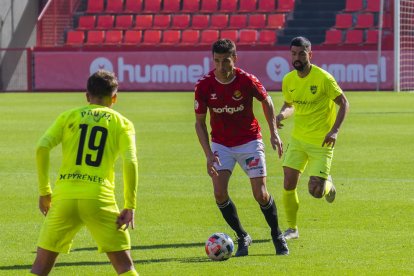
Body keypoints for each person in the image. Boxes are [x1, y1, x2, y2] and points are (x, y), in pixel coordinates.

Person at [30, 70, 139, 276]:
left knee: (40, 267)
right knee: (125, 267)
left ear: (87, 96)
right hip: (99, 199)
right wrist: (130, 205)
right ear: (114, 97)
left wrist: (45, 192)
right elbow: (130, 161)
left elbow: (42, 147)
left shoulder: (68, 116)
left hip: (64, 198)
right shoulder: (123, 123)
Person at [194, 39, 289, 256]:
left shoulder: (247, 80)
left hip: (249, 141)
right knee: (219, 193)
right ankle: (242, 235)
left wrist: (274, 133)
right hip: (221, 144)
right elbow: (199, 122)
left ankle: (276, 234)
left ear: (234, 59)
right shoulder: (204, 84)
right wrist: (208, 154)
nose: (221, 66)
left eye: (225, 61)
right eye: (217, 61)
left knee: (260, 194)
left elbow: (267, 101)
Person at [276, 36, 349, 240]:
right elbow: (290, 105)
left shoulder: (323, 78)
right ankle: (292, 229)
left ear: (310, 54)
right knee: (288, 182)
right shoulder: (289, 80)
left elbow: (344, 103)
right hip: (298, 140)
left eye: (301, 53)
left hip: (321, 142)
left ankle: (328, 185)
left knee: (315, 191)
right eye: (293, 53)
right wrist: (280, 116)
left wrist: (334, 131)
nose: (296, 57)